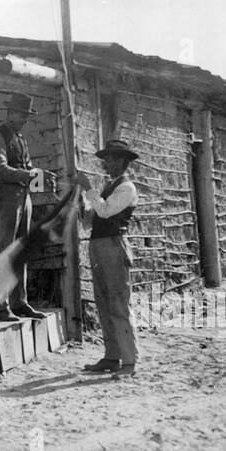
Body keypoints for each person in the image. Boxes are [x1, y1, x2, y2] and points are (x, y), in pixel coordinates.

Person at [75, 138, 141, 378]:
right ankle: (112, 357)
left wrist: (88, 188)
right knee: (103, 302)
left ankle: (129, 361)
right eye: (105, 160)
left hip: (114, 246)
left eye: (111, 159)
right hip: (99, 247)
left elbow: (104, 211)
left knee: (119, 304)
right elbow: (90, 219)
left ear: (122, 161)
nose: (106, 164)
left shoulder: (126, 188)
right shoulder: (109, 187)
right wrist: (83, 201)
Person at [0, 93, 51, 321]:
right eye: (22, 115)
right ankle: (0, 306)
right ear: (10, 113)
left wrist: (42, 178)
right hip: (7, 196)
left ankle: (19, 302)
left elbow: (28, 169)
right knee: (6, 251)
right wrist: (30, 175)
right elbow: (2, 170)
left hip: (24, 197)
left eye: (27, 116)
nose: (25, 119)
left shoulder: (20, 138)